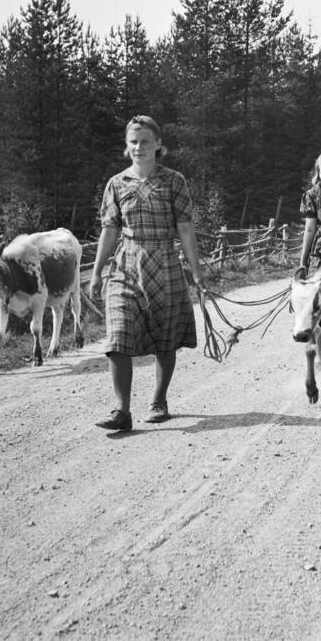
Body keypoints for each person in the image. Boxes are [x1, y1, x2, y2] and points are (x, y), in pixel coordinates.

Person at [89, 115, 207, 431]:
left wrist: (196, 272)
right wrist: (97, 272)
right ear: (127, 148)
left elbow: (184, 227)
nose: (139, 147)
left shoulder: (174, 181)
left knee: (165, 338)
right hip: (125, 265)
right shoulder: (116, 184)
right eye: (133, 142)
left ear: (158, 145)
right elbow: (109, 230)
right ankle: (121, 411)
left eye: (144, 141)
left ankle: (159, 399)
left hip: (164, 263)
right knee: (117, 336)